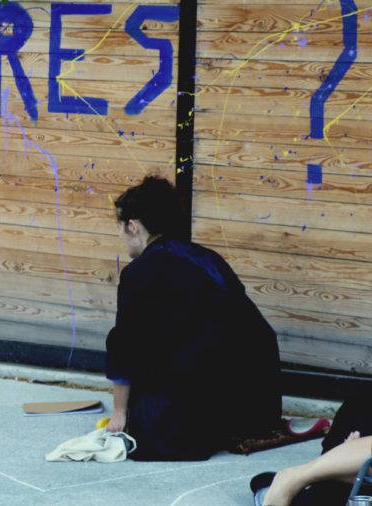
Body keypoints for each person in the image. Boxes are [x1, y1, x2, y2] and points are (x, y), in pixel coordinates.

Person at [104, 175, 282, 460]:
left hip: (185, 416)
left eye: (120, 228)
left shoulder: (139, 273)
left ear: (133, 226)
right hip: (244, 407)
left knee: (147, 411)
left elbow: (125, 346)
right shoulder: (209, 259)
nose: (121, 237)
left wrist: (119, 413)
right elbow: (250, 327)